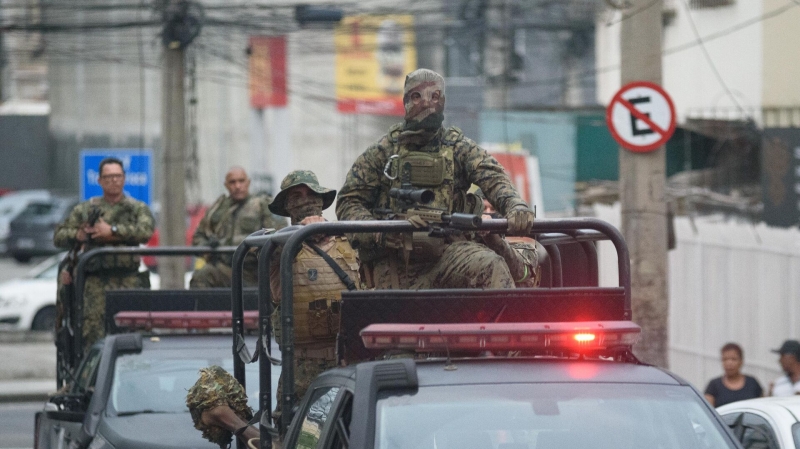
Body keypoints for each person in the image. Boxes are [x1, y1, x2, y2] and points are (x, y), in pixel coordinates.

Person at [187, 170, 360, 447]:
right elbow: (265, 252)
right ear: (287, 206)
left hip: (351, 361)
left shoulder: (350, 240)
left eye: (311, 194)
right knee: (298, 439)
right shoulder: (279, 245)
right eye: (297, 196)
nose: (306, 200)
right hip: (304, 367)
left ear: (321, 199)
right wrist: (302, 232)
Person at [336, 68, 535, 290]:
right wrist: (379, 232)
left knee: (491, 266)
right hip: (394, 262)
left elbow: (493, 177)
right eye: (417, 96)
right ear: (405, 101)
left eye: (435, 96)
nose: (426, 103)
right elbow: (348, 202)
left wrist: (515, 205)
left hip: (449, 255)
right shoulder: (383, 152)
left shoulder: (458, 147)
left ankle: (501, 316)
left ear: (443, 101)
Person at [54, 157, 155, 351]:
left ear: (124, 178)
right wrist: (79, 235)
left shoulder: (137, 208)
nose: (114, 181)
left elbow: (146, 231)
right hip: (95, 281)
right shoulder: (85, 209)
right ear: (99, 180)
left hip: (129, 279)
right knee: (92, 335)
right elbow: (59, 236)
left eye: (118, 176)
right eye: (108, 177)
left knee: (133, 332)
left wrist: (112, 231)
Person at [190, 166, 286, 288]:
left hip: (255, 271)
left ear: (248, 182)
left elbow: (279, 236)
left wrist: (255, 247)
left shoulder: (262, 205)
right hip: (226, 269)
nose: (237, 186)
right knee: (201, 276)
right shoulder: (217, 209)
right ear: (226, 185)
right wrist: (208, 247)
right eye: (232, 182)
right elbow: (198, 237)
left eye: (241, 181)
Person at [473, 188, 540, 287]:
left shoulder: (523, 250)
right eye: (483, 208)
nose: (487, 213)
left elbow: (519, 271)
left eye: (493, 209)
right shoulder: (462, 247)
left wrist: (491, 236)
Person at [703, 342, 763, 407]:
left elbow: (762, 405)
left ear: (741, 361)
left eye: (734, 359)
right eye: (725, 359)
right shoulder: (714, 385)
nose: (729, 363)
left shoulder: (752, 383)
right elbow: (707, 410)